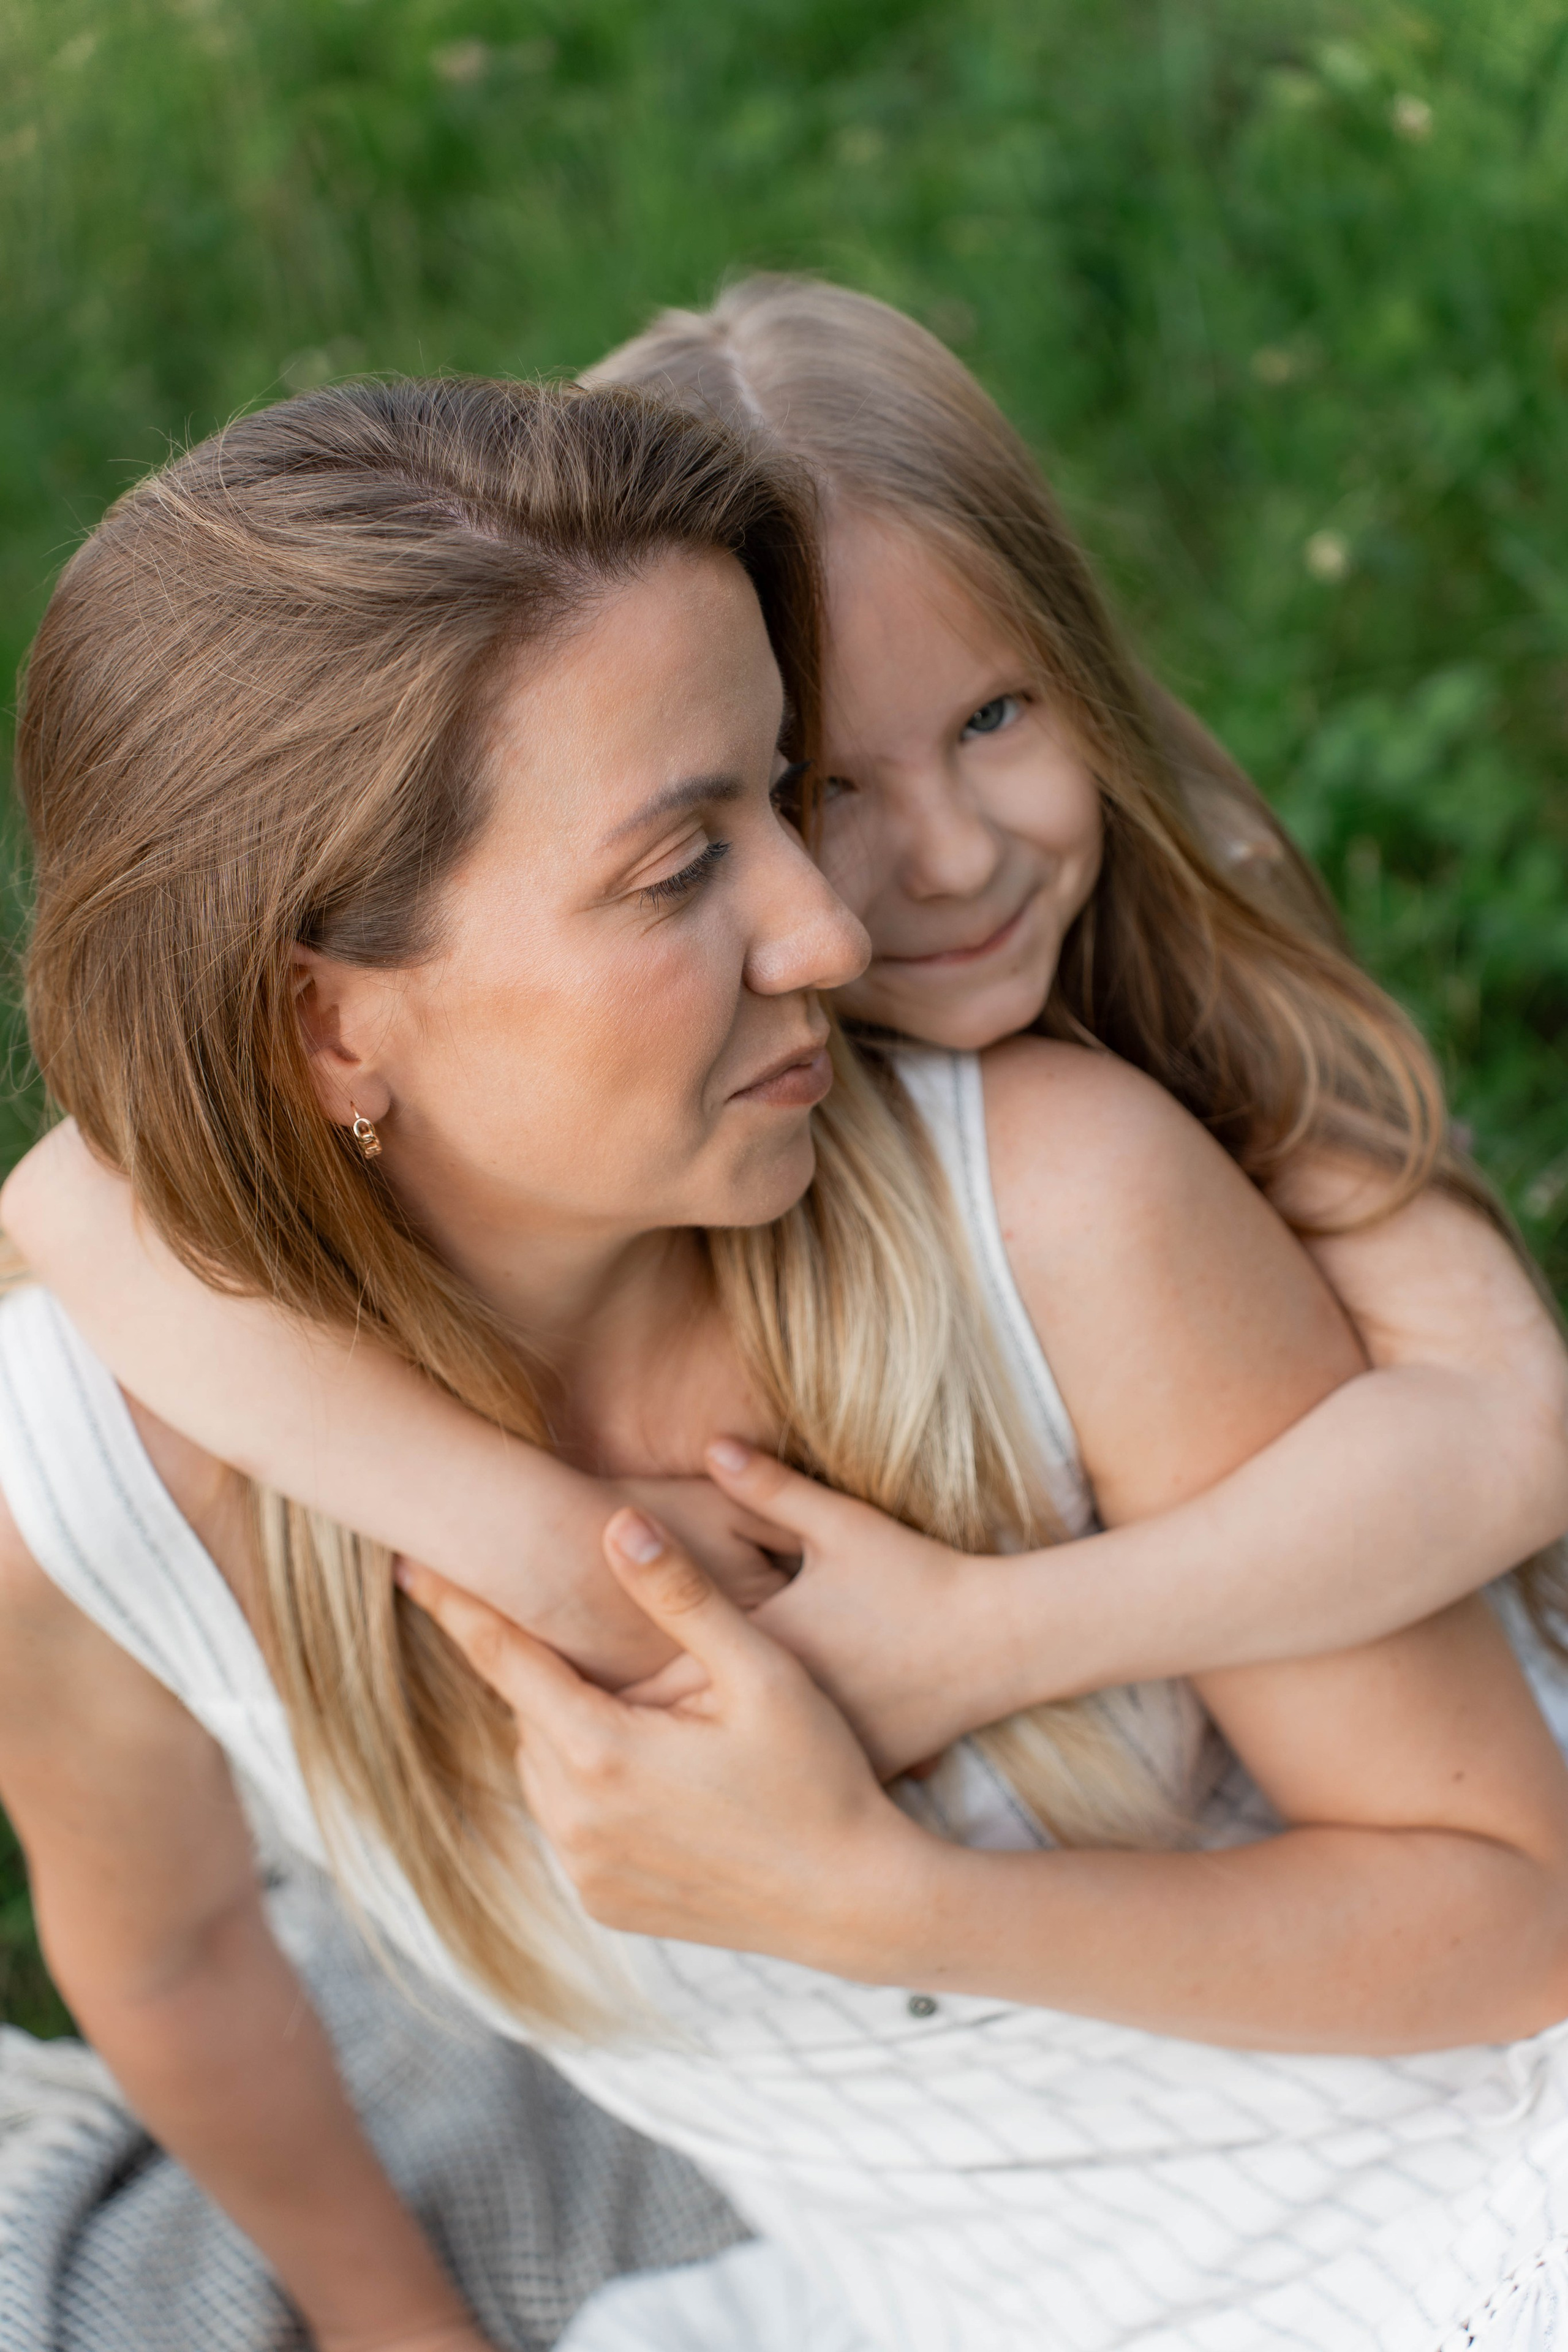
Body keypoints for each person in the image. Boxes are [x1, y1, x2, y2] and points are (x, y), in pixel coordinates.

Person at [2, 372, 1568, 2352]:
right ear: (327, 1032)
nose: (836, 931)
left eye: (780, 787)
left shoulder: (1057, 1207)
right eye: (682, 870)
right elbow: (174, 1950)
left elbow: (1520, 1914)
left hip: (1440, 2191)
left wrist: (880, 1900)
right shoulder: (100, 1480)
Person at [12, 278, 1567, 1743]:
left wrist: (992, 1637)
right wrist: (535, 1540)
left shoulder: (1179, 940)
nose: (952, 861)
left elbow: (1515, 1430)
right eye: (817, 787)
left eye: (997, 715)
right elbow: (73, 1197)